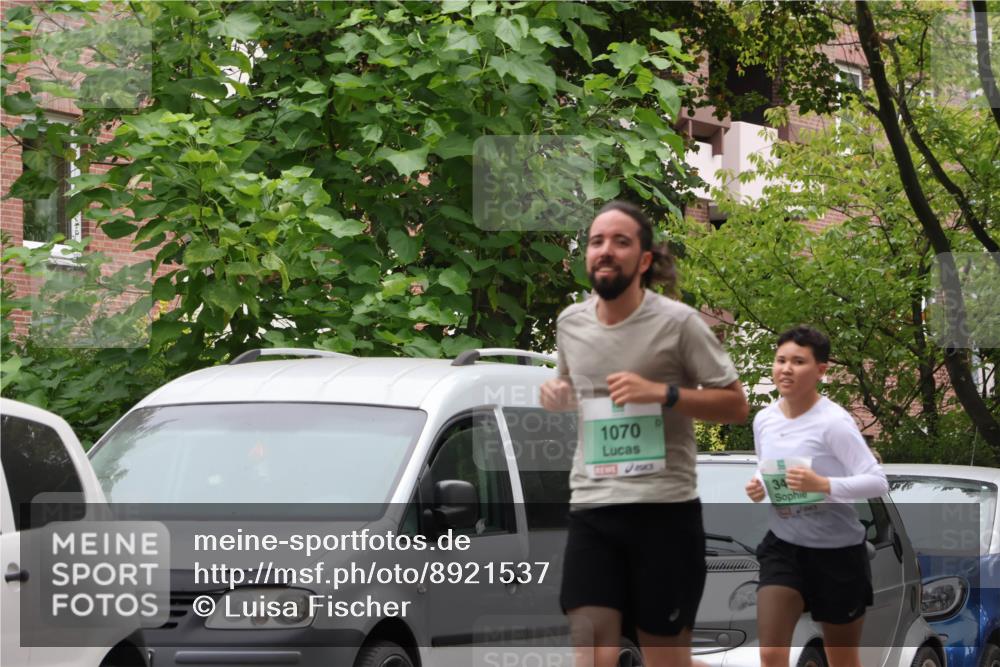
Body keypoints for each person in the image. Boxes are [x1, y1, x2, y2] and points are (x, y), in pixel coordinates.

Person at [540, 201, 749, 667]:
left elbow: (735, 405)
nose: (606, 251)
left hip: (664, 514)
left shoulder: (678, 323)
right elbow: (571, 383)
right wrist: (558, 391)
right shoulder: (571, 323)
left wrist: (662, 393)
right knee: (593, 652)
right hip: (594, 506)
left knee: (665, 659)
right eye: (597, 242)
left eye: (621, 241)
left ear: (645, 260)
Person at [744, 325, 888, 667]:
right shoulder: (764, 419)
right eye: (780, 360)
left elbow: (877, 481)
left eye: (798, 361)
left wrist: (823, 485)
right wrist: (757, 483)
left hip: (837, 554)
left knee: (841, 658)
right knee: (770, 654)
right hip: (784, 547)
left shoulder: (834, 423)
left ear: (820, 370)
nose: (786, 369)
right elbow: (766, 466)